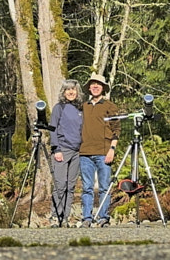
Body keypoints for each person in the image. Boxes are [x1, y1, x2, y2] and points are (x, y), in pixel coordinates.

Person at [79, 73, 120, 228]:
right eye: (93, 84)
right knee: (86, 187)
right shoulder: (83, 106)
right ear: (89, 88)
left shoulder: (110, 106)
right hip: (85, 153)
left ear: (103, 88)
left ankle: (103, 217)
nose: (95, 86)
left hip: (104, 151)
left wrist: (112, 149)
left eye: (98, 84)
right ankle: (87, 218)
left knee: (104, 187)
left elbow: (116, 129)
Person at [49, 79, 84, 228]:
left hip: (77, 152)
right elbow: (53, 129)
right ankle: (55, 216)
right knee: (60, 185)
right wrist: (56, 149)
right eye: (67, 90)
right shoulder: (59, 108)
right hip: (62, 150)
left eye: (73, 89)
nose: (71, 92)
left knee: (70, 186)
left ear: (77, 92)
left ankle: (65, 217)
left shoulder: (81, 109)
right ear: (63, 92)